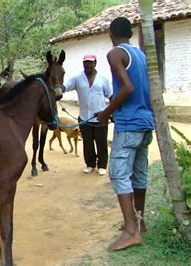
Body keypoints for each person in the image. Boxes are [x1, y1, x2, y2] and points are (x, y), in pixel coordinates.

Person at [95, 17, 155, 251]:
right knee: (139, 173)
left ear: (111, 32)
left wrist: (106, 112)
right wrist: (114, 103)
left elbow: (127, 88)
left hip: (129, 124)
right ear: (130, 32)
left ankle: (131, 231)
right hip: (144, 122)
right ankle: (139, 222)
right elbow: (136, 87)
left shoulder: (115, 53)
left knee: (119, 174)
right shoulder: (140, 54)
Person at [64, 54, 112, 176]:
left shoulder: (102, 79)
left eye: (90, 62)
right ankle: (90, 164)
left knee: (101, 142)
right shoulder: (77, 78)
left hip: (100, 118)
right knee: (87, 143)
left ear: (95, 63)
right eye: (85, 63)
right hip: (84, 118)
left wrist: (110, 112)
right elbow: (65, 87)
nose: (88, 65)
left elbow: (111, 96)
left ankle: (102, 165)